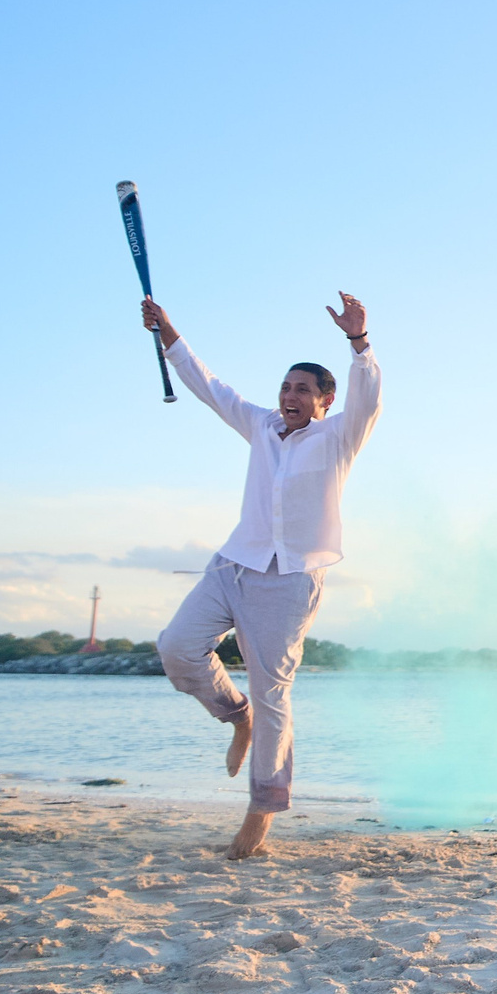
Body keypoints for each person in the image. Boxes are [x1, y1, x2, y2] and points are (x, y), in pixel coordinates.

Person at [141, 291, 382, 860]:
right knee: (176, 647)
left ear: (325, 401)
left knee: (274, 692)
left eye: (302, 389)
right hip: (233, 564)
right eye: (285, 386)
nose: (289, 396)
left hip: (290, 580)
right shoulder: (260, 426)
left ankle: (261, 811)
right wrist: (168, 331)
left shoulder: (339, 437)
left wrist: (359, 343)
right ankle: (234, 715)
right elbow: (210, 385)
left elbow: (368, 398)